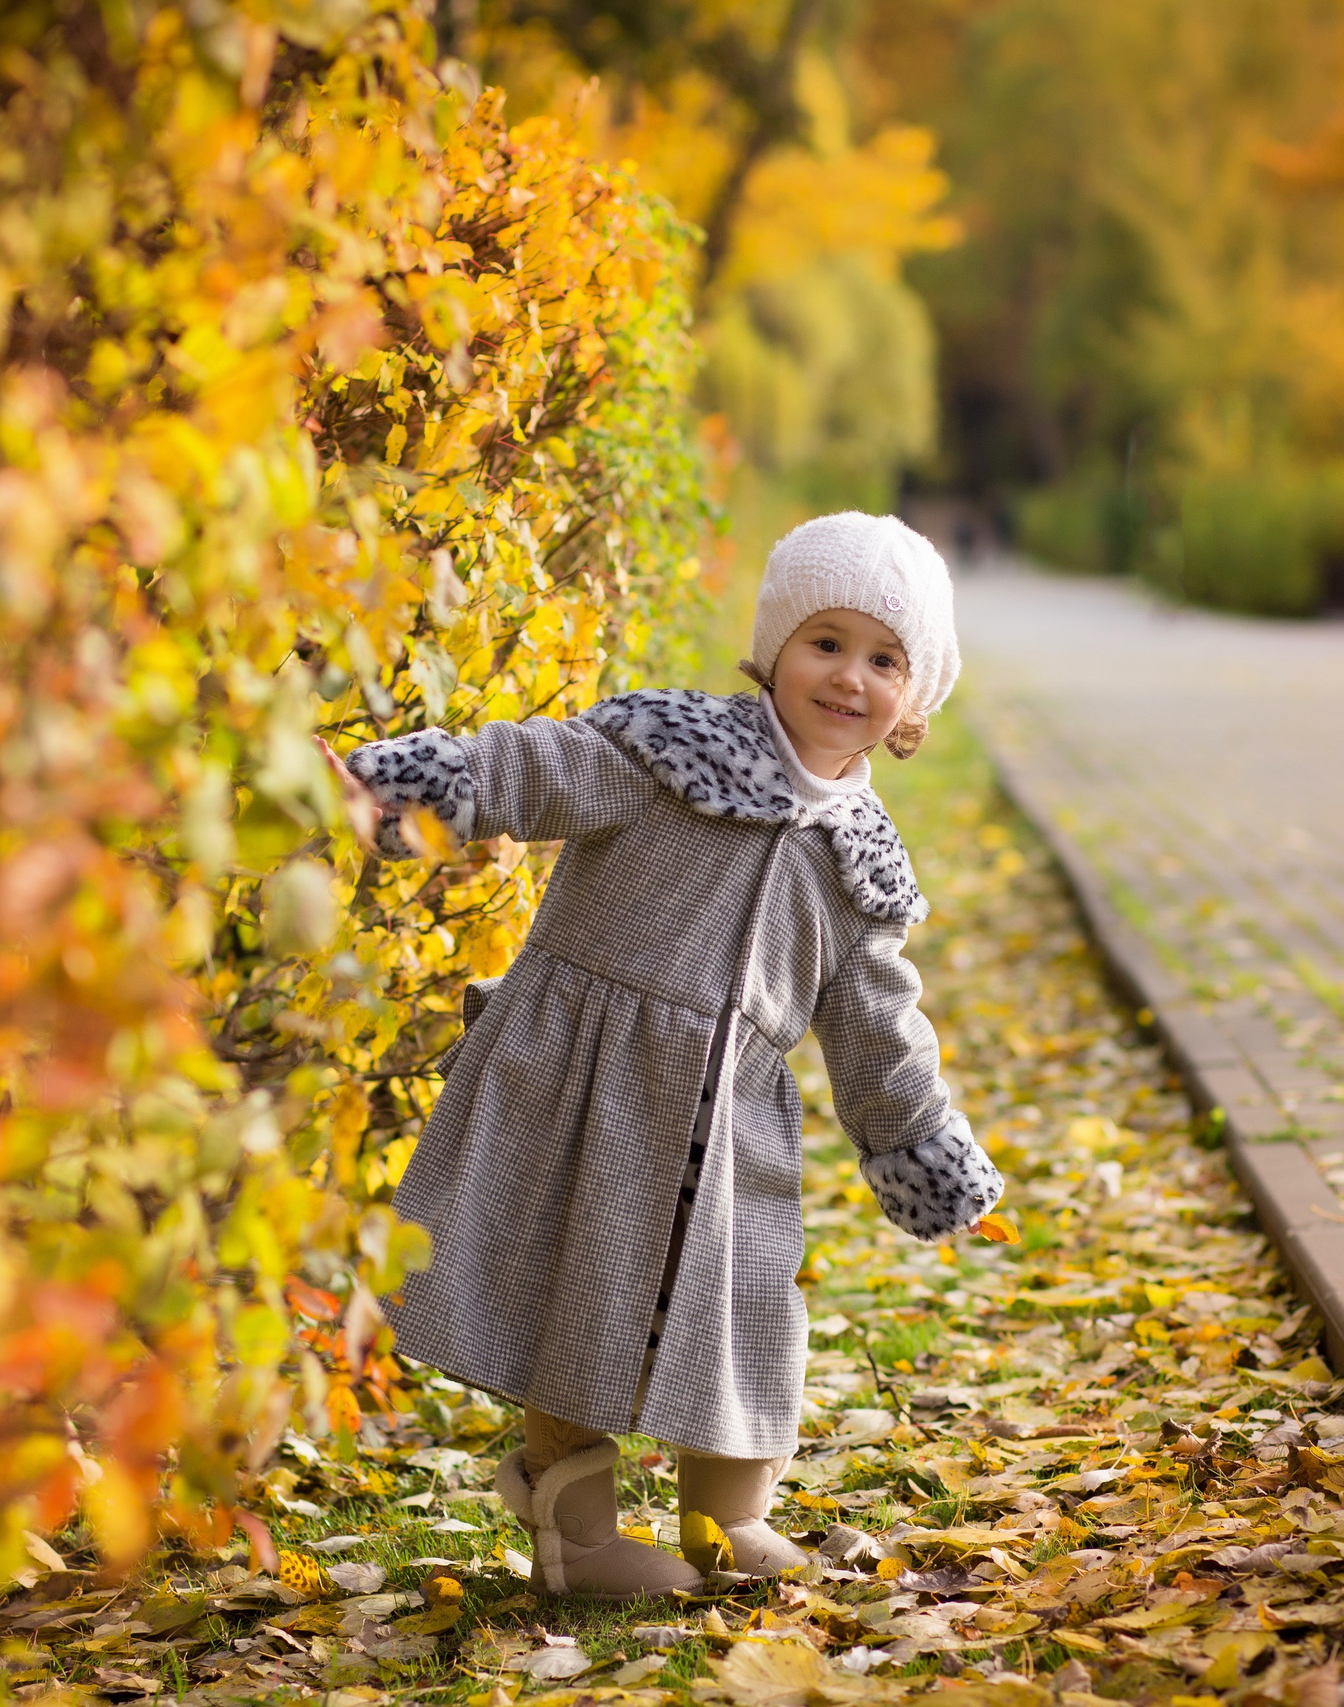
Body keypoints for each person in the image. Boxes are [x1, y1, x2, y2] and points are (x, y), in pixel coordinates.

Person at [339, 512, 1003, 1598]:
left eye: (886, 660)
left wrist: (922, 1145)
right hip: (589, 1089)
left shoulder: (862, 868)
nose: (849, 677)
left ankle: (726, 1518)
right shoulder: (666, 756)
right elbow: (540, 766)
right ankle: (576, 1536)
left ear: (913, 698)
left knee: (746, 1318)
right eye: (825, 642)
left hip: (733, 1130)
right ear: (775, 649)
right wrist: (423, 781)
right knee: (577, 1303)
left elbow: (878, 1027)